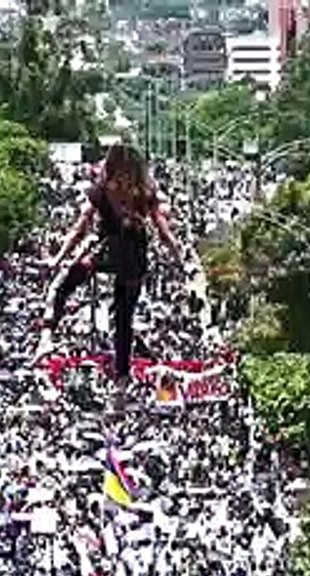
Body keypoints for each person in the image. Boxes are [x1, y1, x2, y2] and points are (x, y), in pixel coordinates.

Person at [36, 144, 182, 400]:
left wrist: (59, 258)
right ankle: (122, 377)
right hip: (131, 259)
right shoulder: (143, 193)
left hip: (108, 253)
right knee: (123, 318)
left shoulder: (104, 192)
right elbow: (163, 231)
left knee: (63, 285)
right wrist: (180, 259)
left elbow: (80, 228)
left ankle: (48, 334)